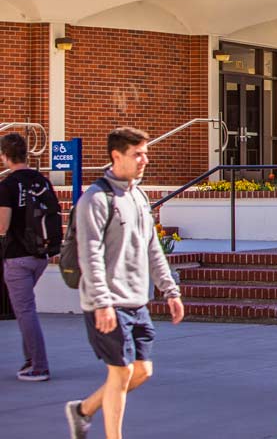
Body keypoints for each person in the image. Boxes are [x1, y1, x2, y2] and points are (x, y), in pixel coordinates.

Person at [65, 127, 184, 439]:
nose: (145, 159)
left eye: (145, 152)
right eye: (138, 154)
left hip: (136, 300)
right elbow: (89, 255)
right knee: (121, 371)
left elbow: (151, 247)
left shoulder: (138, 196)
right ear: (116, 156)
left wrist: (170, 290)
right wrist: (102, 302)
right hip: (107, 302)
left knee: (142, 370)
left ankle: (83, 411)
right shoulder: (95, 199)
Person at [0, 133, 57, 382]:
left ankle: (39, 365)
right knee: (26, 308)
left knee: (25, 311)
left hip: (17, 257)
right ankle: (29, 359)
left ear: (4, 156)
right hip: (40, 255)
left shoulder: (8, 185)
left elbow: (2, 227)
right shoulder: (41, 181)